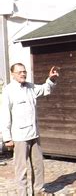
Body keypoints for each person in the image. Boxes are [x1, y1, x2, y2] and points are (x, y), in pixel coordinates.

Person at [0, 63, 59, 196]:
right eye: (20, 72)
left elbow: (45, 89)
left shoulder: (30, 87)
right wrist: (7, 137)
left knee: (38, 166)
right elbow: (5, 114)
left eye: (24, 71)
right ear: (13, 74)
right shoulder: (9, 91)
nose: (23, 74)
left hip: (34, 134)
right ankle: (23, 193)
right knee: (21, 169)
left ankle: (39, 191)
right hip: (19, 136)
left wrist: (51, 79)